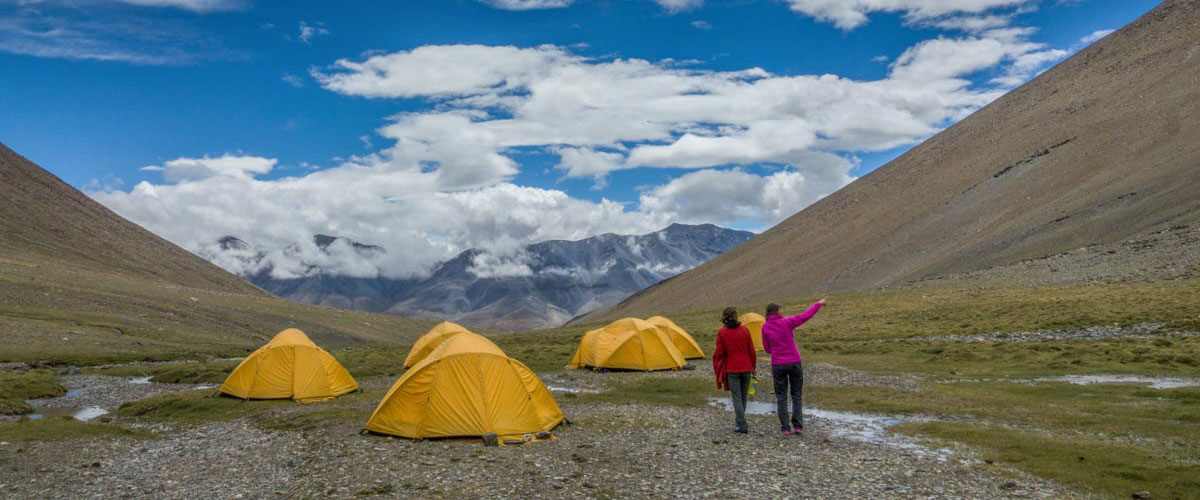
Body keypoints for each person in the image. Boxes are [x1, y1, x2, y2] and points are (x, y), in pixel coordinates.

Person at [761, 298, 826, 436]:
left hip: (777, 364)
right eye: (781, 309)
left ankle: (785, 428)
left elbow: (767, 349)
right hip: (794, 362)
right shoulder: (787, 322)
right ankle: (797, 426)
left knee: (781, 396)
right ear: (778, 311)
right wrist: (818, 304)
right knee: (796, 394)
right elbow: (805, 316)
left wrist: (778, 350)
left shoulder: (765, 327)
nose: (783, 311)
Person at [712, 307, 756, 434]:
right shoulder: (745, 330)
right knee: (743, 397)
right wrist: (753, 367)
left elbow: (719, 352)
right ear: (736, 316)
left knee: (736, 397)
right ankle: (740, 421)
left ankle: (742, 424)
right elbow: (751, 351)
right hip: (747, 367)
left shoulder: (722, 332)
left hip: (732, 369)